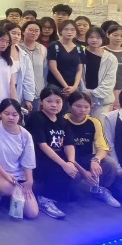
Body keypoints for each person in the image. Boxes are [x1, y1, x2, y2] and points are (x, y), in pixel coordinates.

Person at [25, 86, 76, 219]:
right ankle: (44, 199)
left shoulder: (63, 121)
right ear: (41, 102)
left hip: (57, 157)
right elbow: (42, 145)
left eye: (58, 101)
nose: (54, 105)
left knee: (72, 181)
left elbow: (69, 144)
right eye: (49, 101)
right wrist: (63, 164)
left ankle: (52, 197)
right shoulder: (36, 117)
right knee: (57, 169)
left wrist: (70, 162)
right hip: (38, 158)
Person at [64, 92, 122, 207]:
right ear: (70, 106)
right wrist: (83, 172)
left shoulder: (94, 122)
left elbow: (103, 148)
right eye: (78, 106)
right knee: (73, 194)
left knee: (110, 163)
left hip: (86, 157)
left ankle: (100, 189)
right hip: (68, 160)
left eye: (86, 107)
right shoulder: (63, 121)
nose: (83, 110)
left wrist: (95, 160)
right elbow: (62, 152)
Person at [0, 99, 38, 219]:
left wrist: (29, 182)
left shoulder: (26, 135)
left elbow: (28, 161)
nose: (11, 117)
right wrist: (5, 175)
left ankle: (12, 197)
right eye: (7, 113)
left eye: (14, 115)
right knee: (2, 186)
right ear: (0, 113)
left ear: (19, 115)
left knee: (32, 213)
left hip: (18, 177)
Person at [80, 27, 118, 119]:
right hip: (80, 98)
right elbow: (77, 76)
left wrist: (92, 94)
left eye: (98, 37)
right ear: (86, 38)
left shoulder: (110, 58)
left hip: (102, 101)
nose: (94, 40)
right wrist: (84, 94)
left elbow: (109, 81)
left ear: (103, 39)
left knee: (98, 125)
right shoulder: (80, 54)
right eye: (91, 37)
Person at [47, 20, 85, 105]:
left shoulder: (79, 48)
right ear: (60, 31)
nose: (69, 32)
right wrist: (66, 87)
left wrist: (75, 87)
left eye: (72, 30)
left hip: (73, 87)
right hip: (55, 86)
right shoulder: (54, 45)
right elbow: (53, 69)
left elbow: (79, 69)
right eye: (66, 29)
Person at [6, 23, 37, 114]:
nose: (16, 36)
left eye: (19, 34)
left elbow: (28, 77)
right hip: (1, 88)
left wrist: (28, 98)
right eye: (13, 33)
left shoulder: (23, 54)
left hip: (17, 89)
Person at [21, 20, 47, 111]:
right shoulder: (17, 48)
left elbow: (45, 72)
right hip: (21, 92)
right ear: (23, 31)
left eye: (36, 31)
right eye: (30, 30)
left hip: (38, 93)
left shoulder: (42, 49)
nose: (33, 33)